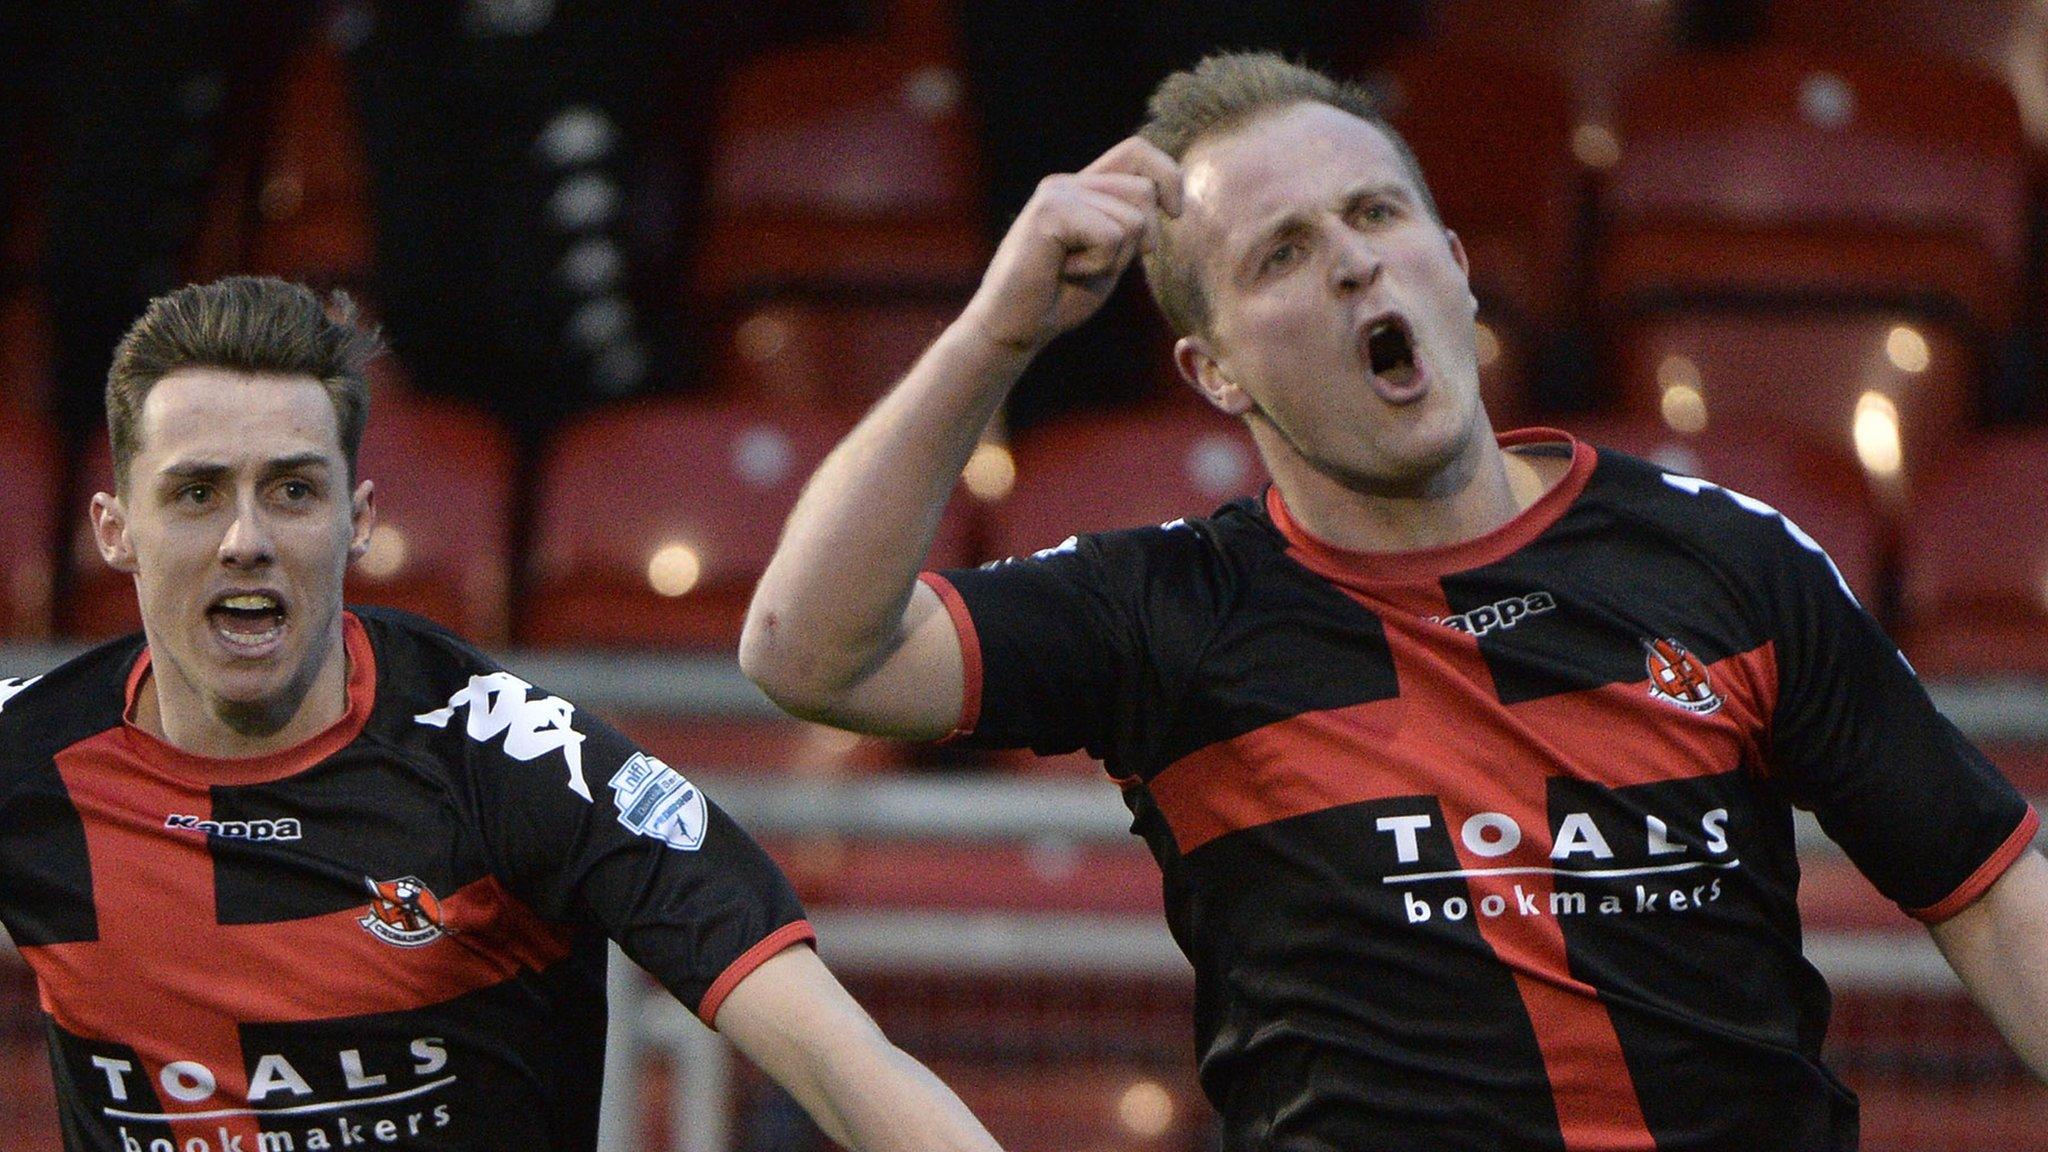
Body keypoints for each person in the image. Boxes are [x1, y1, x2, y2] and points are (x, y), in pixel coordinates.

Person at [739, 51, 2048, 1149]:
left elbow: (1985, 887)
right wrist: (997, 333)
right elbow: (809, 652)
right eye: (1284, 254)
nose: (1356, 266)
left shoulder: (1726, 561)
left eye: (1377, 215)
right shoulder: (1170, 612)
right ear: (1216, 373)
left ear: (1458, 265)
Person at [0, 276, 1005, 1152]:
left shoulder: (512, 759)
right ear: (115, 529)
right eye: (197, 494)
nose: (245, 539)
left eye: (293, 490)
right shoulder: (31, 759)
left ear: (356, 522)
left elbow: (844, 1062)